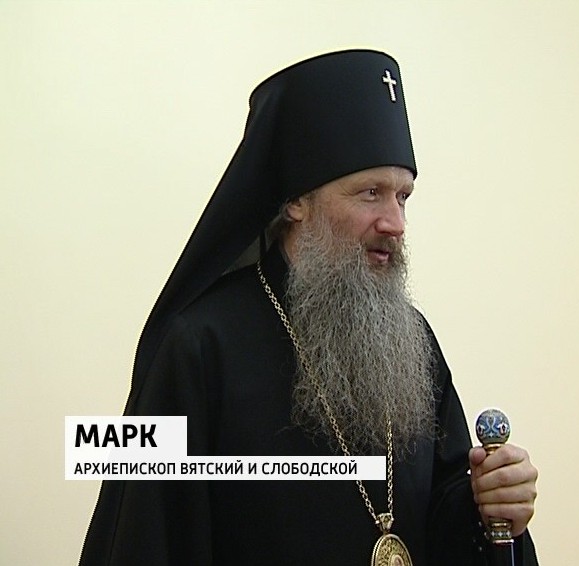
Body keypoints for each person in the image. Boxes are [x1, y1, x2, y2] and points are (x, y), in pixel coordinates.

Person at [79, 49, 539, 566]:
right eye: (370, 193)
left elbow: (440, 515)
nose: (395, 223)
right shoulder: (197, 345)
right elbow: (148, 537)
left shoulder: (412, 339)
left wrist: (491, 508)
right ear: (296, 201)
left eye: (403, 197)